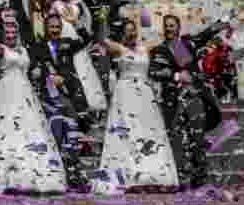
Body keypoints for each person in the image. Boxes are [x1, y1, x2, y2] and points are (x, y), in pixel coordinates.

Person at [0, 21, 66, 194]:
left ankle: (35, 173)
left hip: (26, 93)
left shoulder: (23, 50)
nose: (11, 35)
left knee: (29, 129)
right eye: (7, 32)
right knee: (4, 128)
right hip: (6, 92)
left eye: (13, 31)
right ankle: (3, 174)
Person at [94, 19, 178, 192]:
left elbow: (168, 40)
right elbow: (102, 39)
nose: (131, 33)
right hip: (125, 94)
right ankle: (128, 173)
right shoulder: (119, 49)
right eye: (127, 31)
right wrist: (102, 17)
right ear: (123, 33)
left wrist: (171, 29)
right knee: (127, 132)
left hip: (144, 95)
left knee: (146, 131)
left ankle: (152, 173)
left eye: (133, 30)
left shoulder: (145, 47)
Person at [148, 15, 228, 190]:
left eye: (172, 26)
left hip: (193, 97)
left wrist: (218, 25)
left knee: (197, 138)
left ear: (178, 27)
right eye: (166, 26)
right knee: (176, 139)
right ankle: (181, 177)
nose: (169, 29)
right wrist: (176, 75)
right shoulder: (158, 50)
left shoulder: (184, 45)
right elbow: (153, 72)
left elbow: (203, 36)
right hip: (173, 101)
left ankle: (200, 177)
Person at [28, 13, 92, 191]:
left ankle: (75, 175)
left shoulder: (68, 43)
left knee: (72, 134)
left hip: (69, 95)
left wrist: (76, 23)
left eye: (57, 27)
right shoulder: (37, 47)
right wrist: (44, 75)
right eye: (52, 27)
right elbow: (32, 68)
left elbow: (87, 38)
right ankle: (54, 174)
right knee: (55, 135)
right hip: (49, 98)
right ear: (46, 28)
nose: (55, 30)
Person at [50, 0, 107, 117]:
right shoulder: (56, 5)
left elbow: (81, 21)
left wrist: (78, 25)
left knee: (83, 69)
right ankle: (73, 103)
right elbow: (52, 19)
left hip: (75, 38)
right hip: (64, 37)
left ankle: (91, 103)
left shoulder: (77, 6)